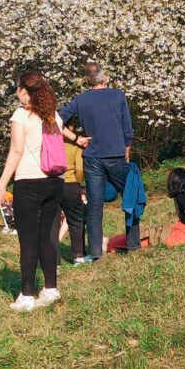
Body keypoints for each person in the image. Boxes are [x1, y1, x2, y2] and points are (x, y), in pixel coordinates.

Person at [0, 71, 65, 311]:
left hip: (29, 182)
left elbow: (16, 151)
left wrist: (2, 183)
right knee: (47, 237)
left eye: (17, 88)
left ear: (24, 90)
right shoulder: (54, 116)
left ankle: (27, 295)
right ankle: (51, 288)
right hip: (54, 182)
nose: (16, 93)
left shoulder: (20, 116)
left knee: (28, 240)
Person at [58, 63, 137, 264]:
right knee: (130, 196)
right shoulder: (118, 96)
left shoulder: (81, 100)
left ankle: (95, 253)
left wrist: (76, 139)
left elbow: (57, 120)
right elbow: (127, 128)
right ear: (106, 77)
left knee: (94, 206)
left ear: (87, 81)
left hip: (92, 157)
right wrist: (126, 152)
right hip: (116, 155)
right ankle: (133, 243)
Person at [58, 123, 87, 263]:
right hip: (70, 184)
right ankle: (78, 256)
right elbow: (80, 169)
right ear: (70, 127)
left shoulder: (50, 142)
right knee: (76, 221)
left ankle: (53, 260)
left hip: (51, 184)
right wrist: (79, 181)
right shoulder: (75, 146)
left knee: (52, 223)